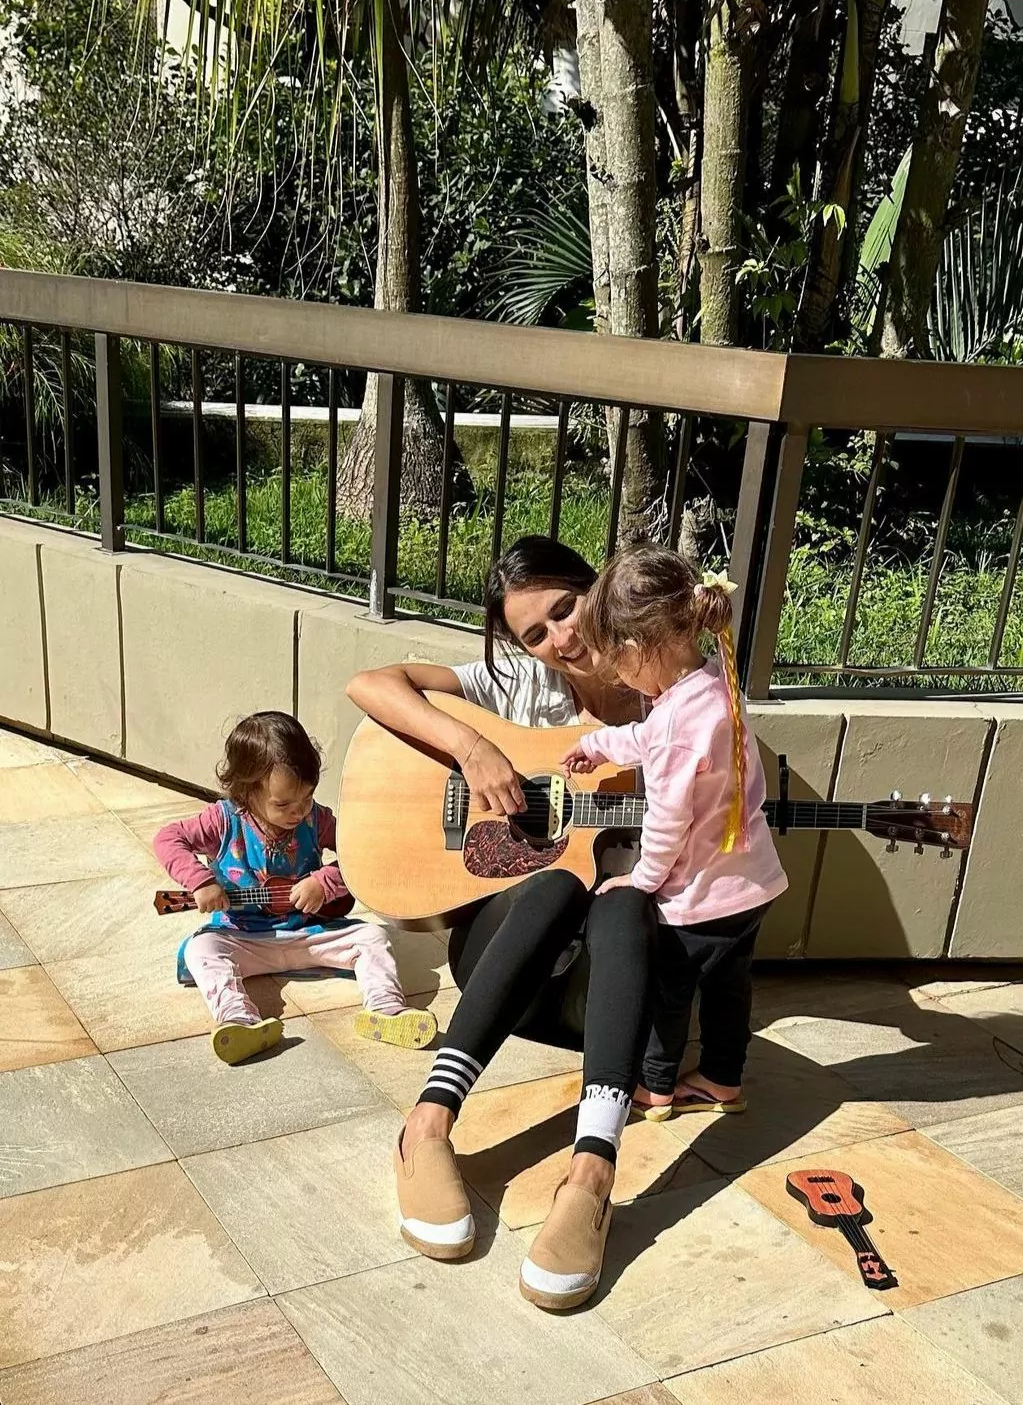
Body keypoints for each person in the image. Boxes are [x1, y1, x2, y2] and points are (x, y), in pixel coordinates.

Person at [345, 536, 656, 1311]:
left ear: (600, 588)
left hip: (600, 997)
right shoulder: (519, 684)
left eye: (566, 606)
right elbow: (370, 683)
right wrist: (474, 745)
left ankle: (591, 1176)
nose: (561, 637)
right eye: (535, 633)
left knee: (620, 896)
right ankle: (426, 1125)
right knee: (553, 883)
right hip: (502, 966)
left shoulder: (674, 690)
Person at [565, 545, 787, 1120]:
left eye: (614, 661)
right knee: (730, 988)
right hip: (750, 883)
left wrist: (641, 882)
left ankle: (655, 1086)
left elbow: (666, 822)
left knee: (670, 986)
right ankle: (721, 1078)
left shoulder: (677, 725)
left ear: (637, 650)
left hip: (701, 898)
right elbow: (649, 738)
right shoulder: (712, 684)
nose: (615, 674)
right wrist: (598, 744)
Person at [154, 711, 437, 1065]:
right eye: (283, 804)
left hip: (309, 932)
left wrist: (325, 880)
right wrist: (200, 880)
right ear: (247, 790)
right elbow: (168, 838)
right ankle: (237, 1019)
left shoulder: (315, 819)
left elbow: (365, 853)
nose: (298, 811)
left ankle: (385, 1009)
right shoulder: (224, 819)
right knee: (201, 949)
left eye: (306, 798)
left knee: (373, 938)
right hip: (245, 939)